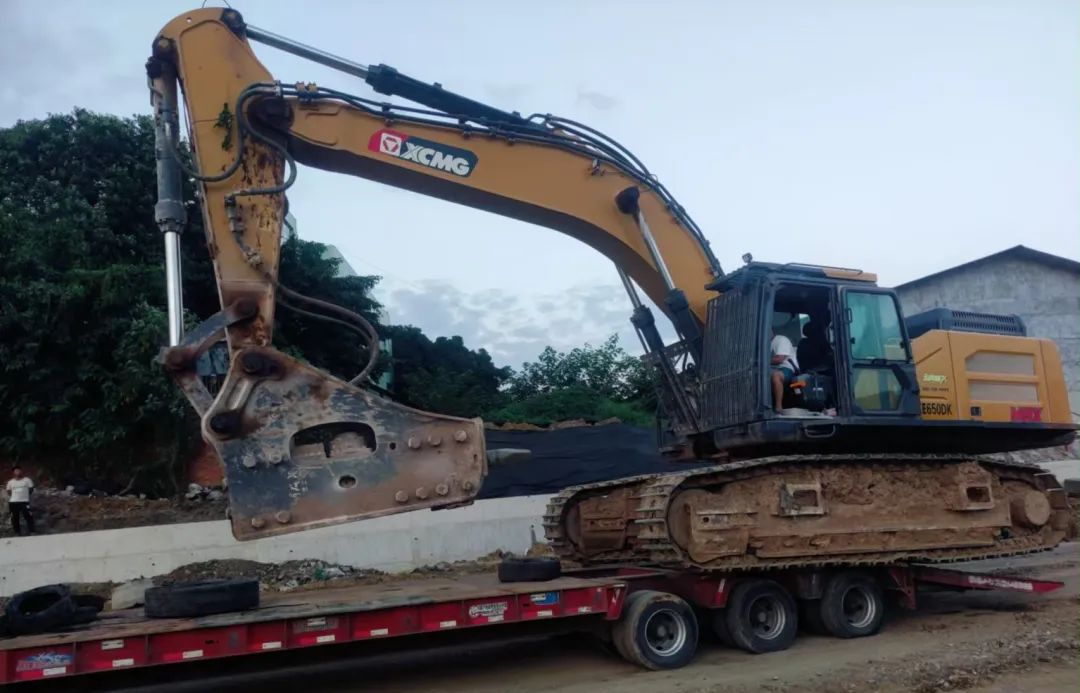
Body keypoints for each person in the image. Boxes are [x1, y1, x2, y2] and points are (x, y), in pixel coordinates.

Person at [770, 329, 799, 412]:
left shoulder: (781, 340)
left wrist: (762, 362)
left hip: (786, 369)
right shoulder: (764, 343)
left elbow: (779, 359)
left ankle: (778, 407)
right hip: (770, 369)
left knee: (776, 376)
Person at [5, 465, 35, 535]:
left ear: (21, 471)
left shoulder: (27, 480)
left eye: (18, 470)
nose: (17, 472)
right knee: (15, 518)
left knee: (29, 516)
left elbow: (31, 490)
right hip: (13, 502)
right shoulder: (10, 482)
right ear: (13, 473)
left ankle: (32, 531)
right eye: (15, 471)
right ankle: (17, 533)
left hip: (24, 502)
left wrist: (24, 496)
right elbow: (9, 492)